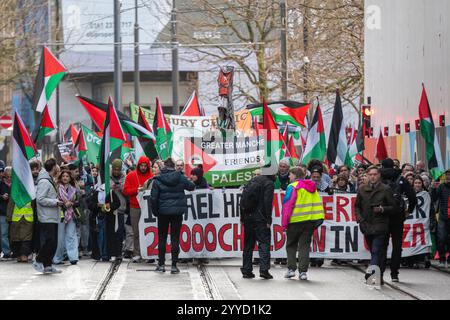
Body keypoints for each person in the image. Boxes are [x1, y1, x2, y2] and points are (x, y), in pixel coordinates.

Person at [151, 158, 195, 274]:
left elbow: (153, 198)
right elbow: (191, 187)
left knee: (162, 238)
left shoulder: (158, 179)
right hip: (177, 213)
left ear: (164, 166)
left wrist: (156, 212)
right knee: (175, 238)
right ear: (174, 166)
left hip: (162, 213)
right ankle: (174, 266)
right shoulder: (180, 177)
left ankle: (161, 264)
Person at [355, 166, 398, 285]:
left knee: (376, 250)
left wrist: (382, 209)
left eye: (375, 174)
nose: (372, 177)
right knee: (378, 252)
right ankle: (379, 276)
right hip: (366, 224)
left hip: (380, 224)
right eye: (370, 174)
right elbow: (357, 206)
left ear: (379, 175)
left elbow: (394, 207)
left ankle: (371, 272)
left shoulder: (386, 189)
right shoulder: (362, 189)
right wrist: (360, 219)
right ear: (367, 176)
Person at [282, 167, 324, 280]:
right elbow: (317, 204)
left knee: (291, 245)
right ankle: (303, 272)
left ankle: (291, 269)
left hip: (295, 221)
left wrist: (284, 223)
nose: (289, 177)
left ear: (295, 176)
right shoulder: (312, 187)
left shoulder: (292, 187)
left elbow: (288, 205)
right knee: (304, 246)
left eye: (290, 175)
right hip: (309, 221)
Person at [380, 158, 417, 282]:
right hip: (398, 216)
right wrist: (408, 211)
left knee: (382, 245)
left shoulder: (379, 177)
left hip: (382, 215)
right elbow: (412, 197)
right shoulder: (401, 178)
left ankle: (380, 273)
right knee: (397, 246)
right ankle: (394, 273)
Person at [240, 173, 276, 280]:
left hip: (248, 218)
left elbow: (242, 200)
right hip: (260, 218)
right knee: (264, 243)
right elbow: (267, 202)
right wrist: (268, 219)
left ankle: (246, 270)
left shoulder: (252, 181)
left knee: (248, 245)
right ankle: (264, 270)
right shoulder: (268, 183)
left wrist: (242, 217)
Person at [33, 159, 64, 274]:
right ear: (54, 167)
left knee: (53, 242)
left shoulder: (49, 180)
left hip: (52, 216)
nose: (58, 168)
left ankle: (48, 265)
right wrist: (55, 202)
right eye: (57, 166)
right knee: (50, 241)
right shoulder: (44, 181)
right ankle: (39, 259)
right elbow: (40, 199)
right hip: (46, 216)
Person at [123, 156, 153, 263]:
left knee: (149, 230)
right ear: (138, 165)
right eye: (142, 165)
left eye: (145, 166)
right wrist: (137, 190)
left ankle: (149, 253)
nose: (143, 168)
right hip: (135, 207)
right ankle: (137, 253)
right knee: (136, 231)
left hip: (148, 208)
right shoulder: (131, 175)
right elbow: (125, 191)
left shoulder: (152, 176)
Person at [53, 170, 81, 265]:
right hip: (60, 214)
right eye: (63, 176)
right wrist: (64, 204)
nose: (65, 178)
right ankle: (57, 258)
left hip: (71, 214)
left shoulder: (74, 188)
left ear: (70, 178)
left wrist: (72, 203)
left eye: (67, 176)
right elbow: (54, 200)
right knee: (59, 238)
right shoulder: (57, 188)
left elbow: (78, 202)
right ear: (60, 177)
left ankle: (73, 257)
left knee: (71, 236)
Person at [431, 169, 450, 268]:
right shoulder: (441, 187)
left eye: (449, 175)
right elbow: (434, 198)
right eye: (447, 175)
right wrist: (434, 188)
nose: (448, 177)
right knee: (441, 238)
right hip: (443, 217)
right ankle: (442, 258)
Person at [108, 159, 127, 262]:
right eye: (114, 169)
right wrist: (111, 187)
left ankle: (119, 253)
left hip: (120, 208)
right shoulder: (108, 177)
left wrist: (121, 188)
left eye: (118, 170)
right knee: (111, 232)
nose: (116, 171)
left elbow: (127, 191)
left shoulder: (125, 177)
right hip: (110, 208)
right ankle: (111, 252)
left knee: (119, 231)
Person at [0, 161, 11, 260]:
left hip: (4, 212)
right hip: (3, 211)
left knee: (4, 233)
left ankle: (7, 252)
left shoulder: (5, 184)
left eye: (1, 171)